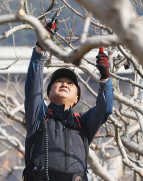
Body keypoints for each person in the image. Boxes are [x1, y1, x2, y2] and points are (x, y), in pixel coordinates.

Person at [22, 19, 114, 181]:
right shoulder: (39, 116)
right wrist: (40, 49)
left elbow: (105, 109)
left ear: (76, 98)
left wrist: (105, 77)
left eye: (70, 83)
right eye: (59, 81)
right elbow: (32, 87)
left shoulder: (83, 123)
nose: (64, 83)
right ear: (48, 92)